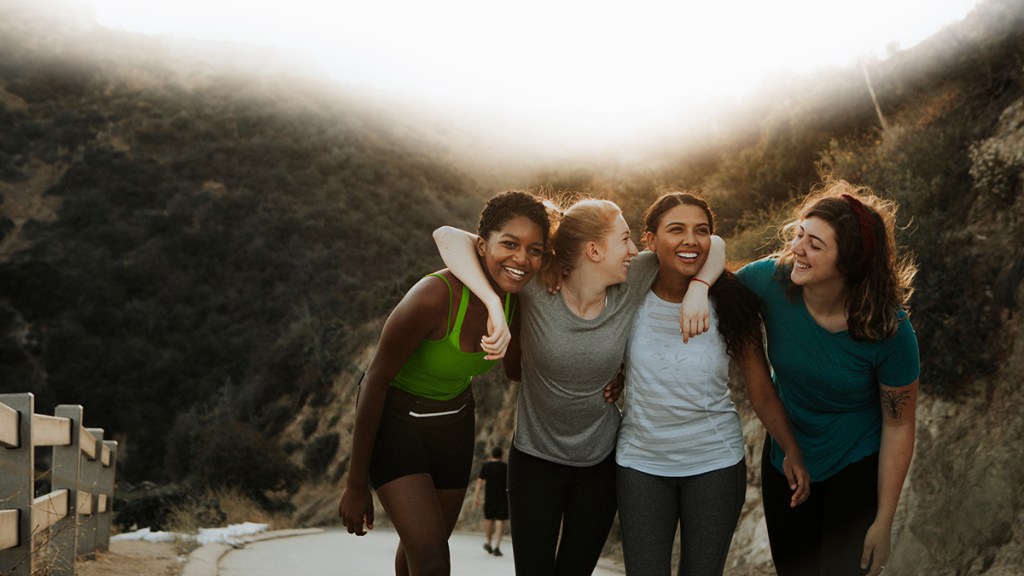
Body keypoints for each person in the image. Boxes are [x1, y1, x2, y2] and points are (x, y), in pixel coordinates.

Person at [434, 196, 725, 576]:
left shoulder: (633, 279)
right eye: (624, 240)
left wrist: (700, 287)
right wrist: (493, 303)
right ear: (593, 250)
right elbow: (448, 236)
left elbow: (713, 245)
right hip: (535, 460)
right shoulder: (537, 284)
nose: (634, 250)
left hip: (599, 465)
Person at [338, 190, 550, 576]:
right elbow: (375, 379)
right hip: (396, 426)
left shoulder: (517, 302)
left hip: (454, 426)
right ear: (481, 246)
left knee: (423, 550)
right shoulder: (434, 296)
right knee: (434, 559)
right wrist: (355, 483)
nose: (522, 258)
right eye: (510, 244)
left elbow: (516, 372)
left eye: (534, 250)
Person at [616, 192, 810, 576]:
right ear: (650, 241)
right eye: (677, 230)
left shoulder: (731, 299)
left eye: (701, 231)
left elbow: (760, 387)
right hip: (640, 463)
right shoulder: (628, 289)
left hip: (714, 463)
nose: (691, 240)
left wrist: (790, 447)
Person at [736, 179, 920, 576]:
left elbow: (899, 424)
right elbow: (708, 264)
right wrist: (700, 289)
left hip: (855, 463)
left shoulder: (889, 329)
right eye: (800, 234)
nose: (797, 249)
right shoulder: (769, 281)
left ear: (849, 263)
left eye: (815, 245)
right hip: (786, 458)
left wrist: (884, 520)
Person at [472, 446, 509, 557]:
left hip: (490, 497)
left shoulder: (486, 466)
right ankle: (497, 546)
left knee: (489, 520)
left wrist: (476, 497)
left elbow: (479, 482)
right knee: (500, 521)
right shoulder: (506, 467)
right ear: (502, 456)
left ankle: (488, 542)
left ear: (492, 455)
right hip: (503, 498)